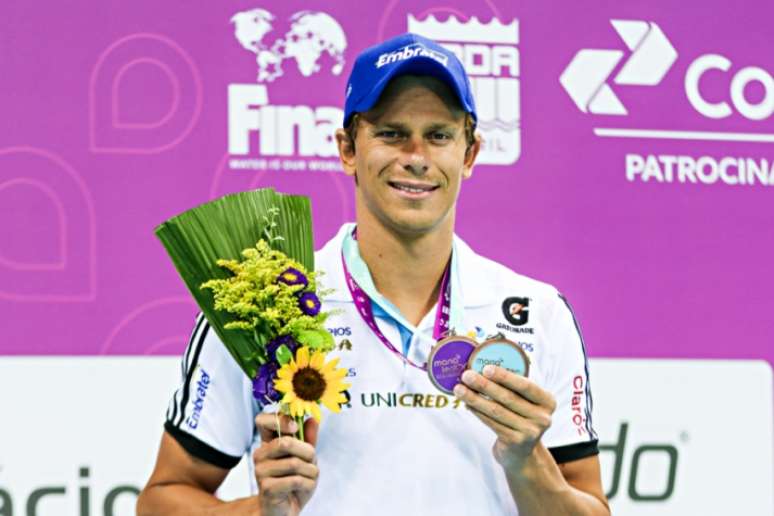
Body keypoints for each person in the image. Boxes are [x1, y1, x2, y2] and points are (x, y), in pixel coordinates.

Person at [137, 33, 610, 516]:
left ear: (468, 155)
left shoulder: (537, 313)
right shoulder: (264, 304)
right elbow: (161, 502)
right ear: (347, 149)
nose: (417, 156)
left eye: (439, 135)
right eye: (390, 133)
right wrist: (262, 511)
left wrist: (525, 458)